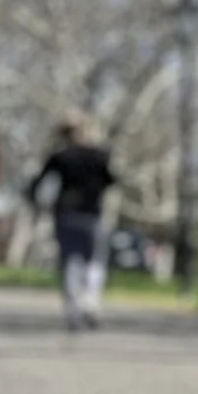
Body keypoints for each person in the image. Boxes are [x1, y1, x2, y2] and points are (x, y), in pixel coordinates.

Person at [25, 120, 117, 329]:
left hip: (66, 214)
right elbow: (112, 180)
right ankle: (91, 303)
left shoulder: (60, 157)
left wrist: (36, 202)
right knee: (94, 261)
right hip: (93, 214)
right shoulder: (99, 156)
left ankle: (74, 309)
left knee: (71, 261)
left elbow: (37, 184)